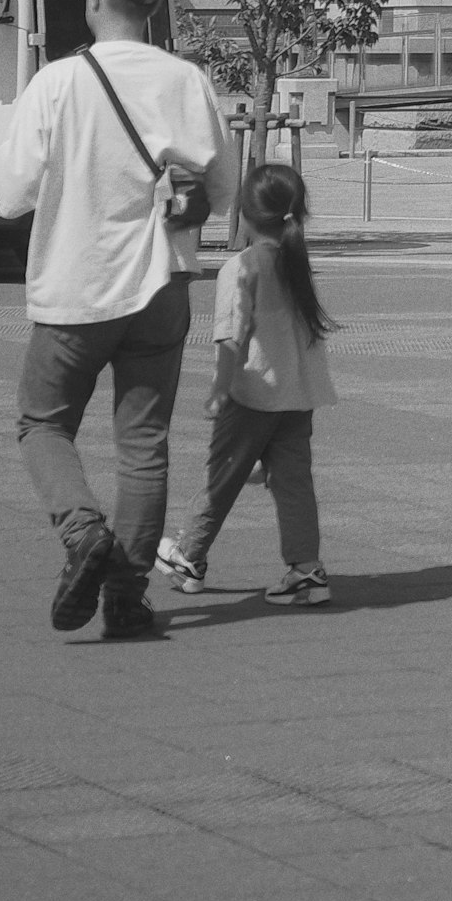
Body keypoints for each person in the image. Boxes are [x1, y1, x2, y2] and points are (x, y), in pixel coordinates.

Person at [0, 0, 228, 642]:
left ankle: (82, 531)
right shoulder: (187, 82)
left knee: (43, 423)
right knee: (144, 442)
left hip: (76, 282)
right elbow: (221, 194)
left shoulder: (58, 85)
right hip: (161, 285)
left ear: (92, 0)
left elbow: (10, 196)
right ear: (155, 4)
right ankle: (128, 597)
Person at [160, 162, 336, 606]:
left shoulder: (241, 267)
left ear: (245, 213)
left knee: (222, 475)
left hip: (253, 392)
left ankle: (189, 554)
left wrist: (220, 388)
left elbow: (231, 336)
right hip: (298, 394)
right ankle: (305, 568)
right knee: (294, 482)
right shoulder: (296, 261)